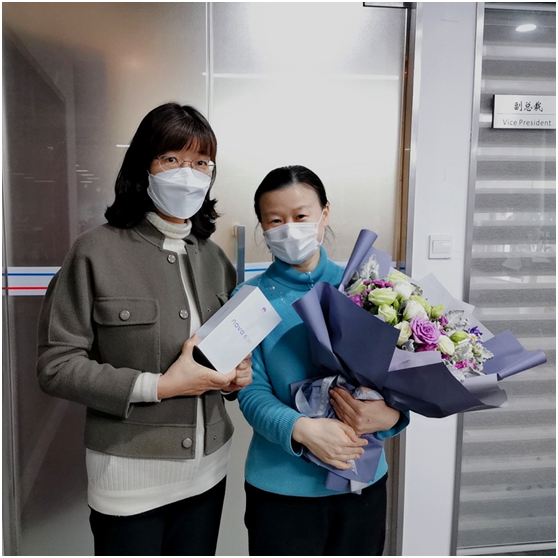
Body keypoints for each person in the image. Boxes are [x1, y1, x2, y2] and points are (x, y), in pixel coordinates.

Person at [37, 102, 252, 556]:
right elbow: (56, 365)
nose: (188, 174)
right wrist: (158, 386)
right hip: (130, 479)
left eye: (201, 163)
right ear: (143, 167)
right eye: (171, 159)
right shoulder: (94, 251)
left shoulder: (214, 258)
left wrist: (235, 377)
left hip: (208, 472)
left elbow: (223, 352)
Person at [236, 165, 409, 556]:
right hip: (281, 490)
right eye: (275, 220)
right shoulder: (249, 298)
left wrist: (394, 415)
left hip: (361, 479)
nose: (289, 229)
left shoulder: (367, 287)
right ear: (262, 226)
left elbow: (403, 372)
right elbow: (251, 392)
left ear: (324, 213)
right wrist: (301, 428)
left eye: (301, 216)